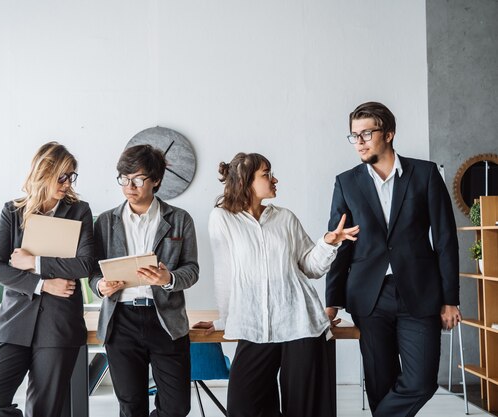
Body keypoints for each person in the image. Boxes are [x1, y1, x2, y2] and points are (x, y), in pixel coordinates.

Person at [194, 152, 359, 417]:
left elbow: (311, 267)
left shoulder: (285, 218)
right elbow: (224, 274)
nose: (274, 179)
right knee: (244, 408)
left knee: (303, 411)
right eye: (266, 174)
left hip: (299, 325)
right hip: (254, 328)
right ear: (245, 181)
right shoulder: (222, 218)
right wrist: (224, 320)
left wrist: (328, 242)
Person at [325, 101, 460, 416]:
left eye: (366, 134)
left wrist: (450, 298)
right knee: (379, 384)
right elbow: (339, 243)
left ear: (388, 134)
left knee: (422, 381)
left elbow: (444, 239)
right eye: (354, 136)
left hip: (420, 293)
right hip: (368, 298)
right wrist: (332, 298)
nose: (359, 142)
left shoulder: (424, 173)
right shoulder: (346, 182)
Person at [0, 142, 95, 417]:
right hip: (15, 321)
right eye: (61, 176)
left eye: (71, 176)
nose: (67, 183)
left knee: (43, 410)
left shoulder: (80, 211)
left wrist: (34, 262)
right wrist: (42, 284)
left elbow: (85, 264)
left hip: (58, 324)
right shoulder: (12, 211)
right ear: (43, 172)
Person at [89, 144, 199, 417]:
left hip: (166, 320)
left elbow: (192, 270)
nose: (129, 186)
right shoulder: (104, 222)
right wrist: (100, 287)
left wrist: (168, 278)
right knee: (131, 405)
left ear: (156, 180)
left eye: (138, 179)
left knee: (176, 407)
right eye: (124, 179)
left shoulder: (179, 219)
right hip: (121, 320)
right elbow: (93, 273)